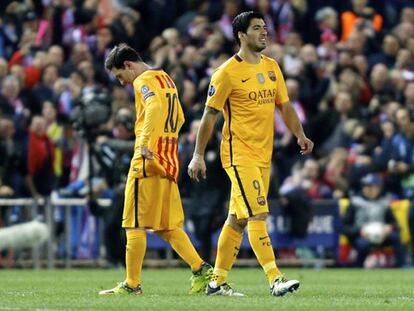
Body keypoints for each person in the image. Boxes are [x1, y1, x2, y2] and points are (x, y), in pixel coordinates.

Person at [188, 11, 313, 297]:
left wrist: (300, 134)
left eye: (265, 27)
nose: (264, 32)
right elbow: (209, 116)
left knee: (237, 220)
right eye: (257, 28)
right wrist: (197, 155)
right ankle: (275, 278)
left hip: (263, 156)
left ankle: (216, 282)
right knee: (258, 213)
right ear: (241, 35)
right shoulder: (226, 73)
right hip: (238, 154)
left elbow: (284, 105)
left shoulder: (272, 67)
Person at [99, 43, 212, 296]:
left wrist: (144, 144)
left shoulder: (143, 81)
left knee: (134, 225)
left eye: (120, 75)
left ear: (129, 65)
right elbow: (180, 116)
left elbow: (155, 108)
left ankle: (132, 284)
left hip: (148, 161)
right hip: (169, 162)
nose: (121, 82)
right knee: (167, 226)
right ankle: (201, 270)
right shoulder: (166, 78)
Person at [342, 173, 405, 268]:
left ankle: (400, 267)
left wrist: (389, 227)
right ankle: (358, 267)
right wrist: (359, 230)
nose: (368, 189)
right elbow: (345, 227)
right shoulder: (355, 202)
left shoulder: (384, 202)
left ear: (379, 188)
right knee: (362, 244)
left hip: (382, 234)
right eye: (366, 186)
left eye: (371, 186)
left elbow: (394, 223)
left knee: (395, 238)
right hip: (361, 235)